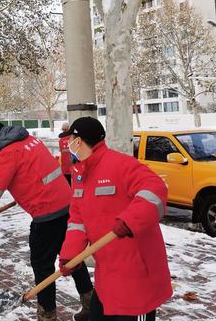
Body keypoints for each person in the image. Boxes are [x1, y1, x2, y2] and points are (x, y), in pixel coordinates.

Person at [0, 121, 93, 321]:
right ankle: (90, 303)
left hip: (46, 214)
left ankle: (47, 315)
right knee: (72, 257)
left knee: (43, 266)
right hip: (66, 206)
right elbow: (37, 170)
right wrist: (25, 189)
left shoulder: (8, 153)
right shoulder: (31, 140)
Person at [58, 117, 172, 321]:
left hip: (137, 275)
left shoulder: (120, 164)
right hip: (107, 274)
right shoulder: (80, 174)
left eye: (70, 140)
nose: (67, 145)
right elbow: (77, 220)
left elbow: (156, 189)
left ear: (80, 141)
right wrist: (70, 255)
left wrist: (130, 220)